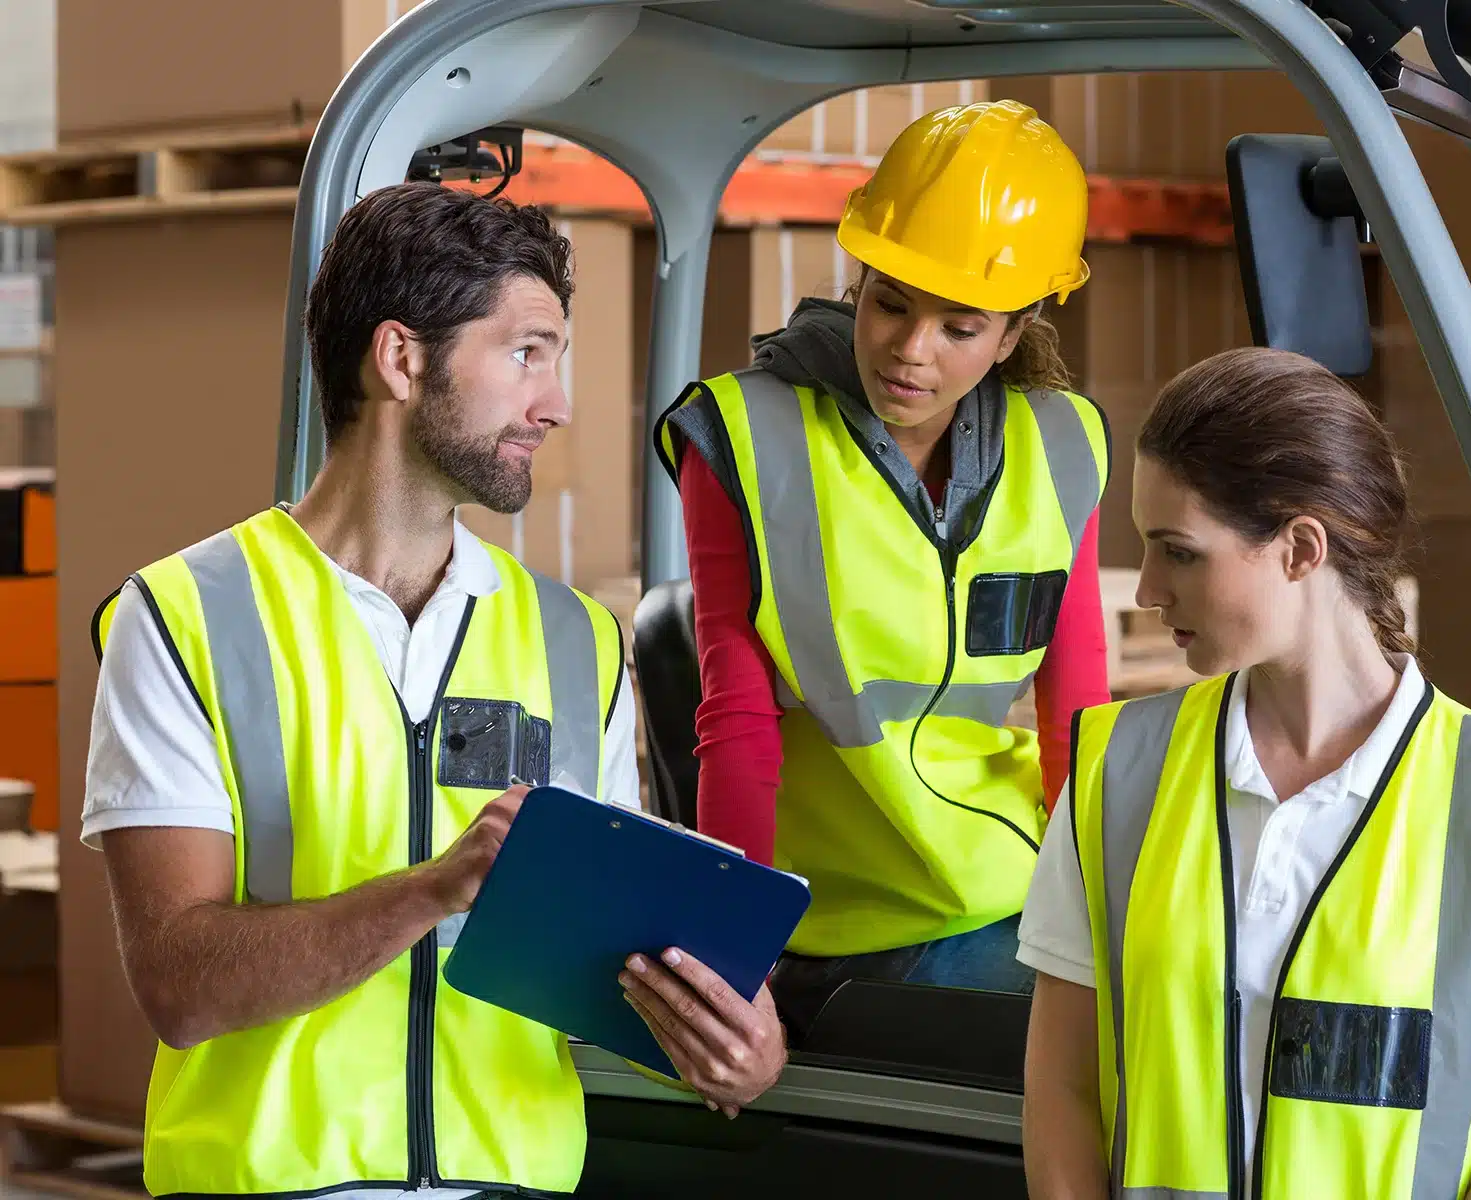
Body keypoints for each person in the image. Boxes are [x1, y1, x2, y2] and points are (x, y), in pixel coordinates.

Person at [82, 183, 784, 1199]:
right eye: (524, 352)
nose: (555, 402)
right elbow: (179, 986)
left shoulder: (576, 641)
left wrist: (730, 1044)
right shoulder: (187, 618)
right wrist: (430, 889)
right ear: (402, 358)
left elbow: (612, 966)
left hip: (512, 1184)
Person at [1016, 347, 1471, 1199]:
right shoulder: (1118, 773)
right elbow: (1062, 1092)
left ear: (1299, 548)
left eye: (1177, 552)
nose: (1147, 589)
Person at [649, 98, 1113, 1022]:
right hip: (829, 919)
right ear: (857, 279)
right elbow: (734, 717)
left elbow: (1076, 714)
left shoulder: (1065, 444)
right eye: (890, 303)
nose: (909, 350)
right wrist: (736, 953)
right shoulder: (745, 433)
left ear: (1014, 334)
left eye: (960, 327)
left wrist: (1091, 908)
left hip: (1002, 897)